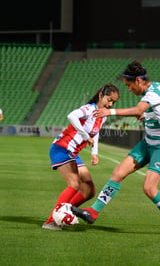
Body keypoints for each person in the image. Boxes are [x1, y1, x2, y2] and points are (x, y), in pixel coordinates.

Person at [71, 61, 160, 237]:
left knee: (149, 188)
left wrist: (110, 112)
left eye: (129, 85)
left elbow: (140, 108)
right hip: (148, 142)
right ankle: (93, 212)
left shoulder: (154, 93)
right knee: (118, 173)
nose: (129, 89)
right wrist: (148, 114)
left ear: (139, 81)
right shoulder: (154, 90)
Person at [42, 84, 119, 231]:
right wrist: (85, 136)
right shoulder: (89, 109)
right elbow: (71, 116)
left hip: (72, 153)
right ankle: (52, 221)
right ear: (101, 95)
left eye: (113, 102)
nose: (110, 104)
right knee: (74, 183)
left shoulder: (101, 115)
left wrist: (94, 153)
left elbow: (95, 134)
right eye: (109, 100)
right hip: (62, 148)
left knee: (89, 190)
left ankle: (65, 212)